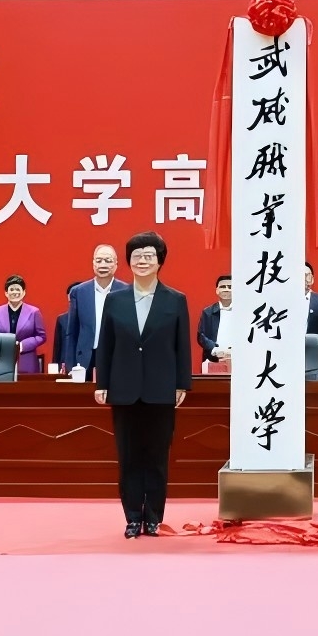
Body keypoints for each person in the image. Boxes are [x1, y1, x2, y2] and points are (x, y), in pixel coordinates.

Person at [93, 230, 192, 538]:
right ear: (129, 261)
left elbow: (182, 346)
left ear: (160, 261)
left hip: (161, 388)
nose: (142, 261)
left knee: (157, 456)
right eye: (136, 256)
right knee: (129, 456)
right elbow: (106, 344)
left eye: (149, 256)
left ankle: (153, 517)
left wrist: (182, 383)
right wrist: (102, 382)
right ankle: (133, 517)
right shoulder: (115, 300)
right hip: (123, 388)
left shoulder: (175, 300)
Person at [64, 243, 122, 376]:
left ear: (116, 264)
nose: (103, 264)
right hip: (86, 359)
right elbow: (72, 331)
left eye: (108, 260)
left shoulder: (126, 291)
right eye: (99, 260)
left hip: (117, 357)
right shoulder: (79, 292)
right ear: (93, 263)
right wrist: (70, 365)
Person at [0, 275, 47, 374]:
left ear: (24, 292)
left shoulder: (34, 312)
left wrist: (22, 345)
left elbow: (41, 336)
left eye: (18, 289)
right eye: (11, 289)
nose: (15, 292)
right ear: (6, 293)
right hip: (1, 361)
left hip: (27, 361)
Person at [197, 275, 238, 366]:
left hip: (238, 359)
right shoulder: (208, 312)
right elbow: (201, 336)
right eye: (223, 287)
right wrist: (214, 349)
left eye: (230, 287)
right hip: (214, 359)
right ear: (217, 290)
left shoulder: (242, 312)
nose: (226, 289)